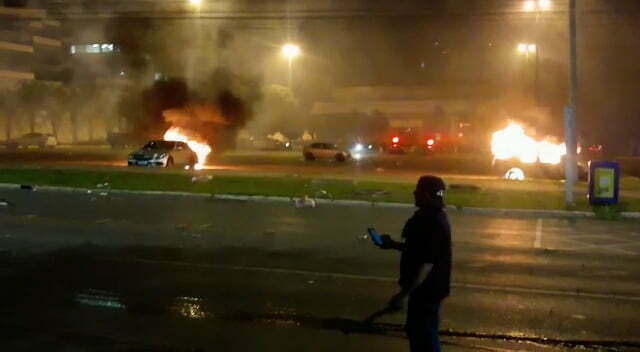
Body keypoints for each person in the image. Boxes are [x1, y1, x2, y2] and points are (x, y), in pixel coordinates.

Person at [379, 175, 452, 352]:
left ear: (426, 195)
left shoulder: (429, 221)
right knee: (422, 333)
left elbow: (427, 263)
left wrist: (403, 294)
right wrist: (393, 245)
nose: (414, 193)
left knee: (422, 337)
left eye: (417, 190)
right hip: (430, 289)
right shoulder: (434, 217)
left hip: (426, 291)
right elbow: (418, 249)